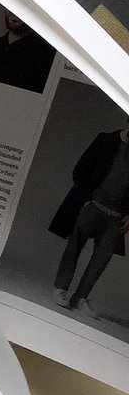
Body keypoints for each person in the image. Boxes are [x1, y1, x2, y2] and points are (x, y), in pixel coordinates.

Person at [49, 119, 129, 319]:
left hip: (116, 216)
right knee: (74, 246)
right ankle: (60, 289)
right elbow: (81, 170)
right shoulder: (105, 140)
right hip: (92, 206)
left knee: (102, 259)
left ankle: (81, 297)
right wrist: (86, 200)